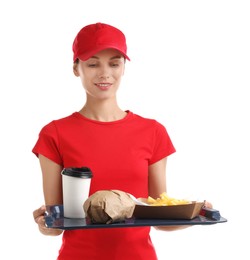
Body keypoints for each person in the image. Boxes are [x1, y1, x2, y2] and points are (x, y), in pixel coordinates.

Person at [32, 22, 212, 260]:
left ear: (124, 67)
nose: (104, 73)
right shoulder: (54, 134)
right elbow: (56, 223)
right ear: (76, 68)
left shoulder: (153, 132)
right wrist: (44, 224)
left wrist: (195, 214)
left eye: (114, 63)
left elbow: (159, 218)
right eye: (93, 64)